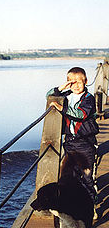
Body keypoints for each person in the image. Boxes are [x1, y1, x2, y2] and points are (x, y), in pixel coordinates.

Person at [46, 67, 99, 203]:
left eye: (79, 82)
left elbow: (81, 114)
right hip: (70, 142)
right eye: (72, 82)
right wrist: (59, 88)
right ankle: (75, 202)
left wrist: (61, 108)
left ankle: (91, 204)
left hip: (85, 143)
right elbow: (49, 96)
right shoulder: (67, 95)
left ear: (86, 81)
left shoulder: (88, 99)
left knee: (87, 177)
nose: (75, 86)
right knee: (71, 175)